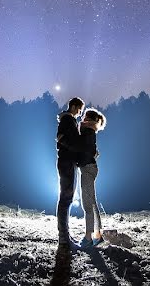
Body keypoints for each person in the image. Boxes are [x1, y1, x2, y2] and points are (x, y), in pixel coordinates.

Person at [56, 97, 85, 247]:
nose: (80, 113)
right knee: (66, 198)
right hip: (67, 162)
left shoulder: (69, 120)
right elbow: (60, 138)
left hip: (68, 161)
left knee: (67, 198)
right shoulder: (67, 120)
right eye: (79, 109)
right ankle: (64, 237)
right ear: (74, 106)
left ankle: (65, 235)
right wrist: (76, 148)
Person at [77, 108, 106, 248]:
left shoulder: (86, 131)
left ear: (88, 118)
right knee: (92, 203)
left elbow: (85, 149)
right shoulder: (89, 131)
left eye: (84, 116)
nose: (82, 118)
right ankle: (97, 235)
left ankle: (88, 238)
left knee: (87, 205)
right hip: (89, 167)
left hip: (87, 168)